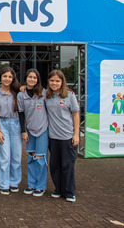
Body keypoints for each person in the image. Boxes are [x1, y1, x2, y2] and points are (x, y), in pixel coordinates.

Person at [45, 69, 80, 202]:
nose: (54, 83)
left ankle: (69, 191)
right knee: (55, 166)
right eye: (52, 80)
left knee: (68, 165)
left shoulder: (69, 95)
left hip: (67, 137)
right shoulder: (47, 95)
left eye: (57, 81)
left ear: (62, 82)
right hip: (53, 137)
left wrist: (76, 134)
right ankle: (58, 189)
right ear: (48, 81)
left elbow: (76, 114)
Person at [17, 69, 49, 197]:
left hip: (42, 130)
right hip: (30, 131)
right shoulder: (21, 95)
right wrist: (23, 131)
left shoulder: (44, 93)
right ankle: (31, 184)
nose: (32, 80)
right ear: (26, 78)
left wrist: (69, 90)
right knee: (31, 158)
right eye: (30, 77)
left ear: (38, 80)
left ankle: (41, 186)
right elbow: (21, 114)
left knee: (41, 158)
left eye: (35, 78)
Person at [0, 67, 21, 195]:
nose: (7, 79)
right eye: (4, 76)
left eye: (9, 76)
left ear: (13, 78)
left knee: (17, 156)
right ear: (0, 77)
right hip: (2, 124)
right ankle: (3, 184)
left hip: (16, 124)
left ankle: (14, 182)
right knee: (4, 156)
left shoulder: (18, 92)